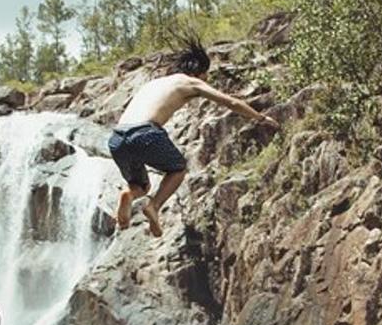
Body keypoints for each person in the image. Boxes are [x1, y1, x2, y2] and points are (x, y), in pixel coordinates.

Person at [108, 40, 279, 237]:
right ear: (199, 70)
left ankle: (128, 194)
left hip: (117, 138)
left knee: (141, 186)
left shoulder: (152, 84)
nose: (207, 79)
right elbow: (231, 102)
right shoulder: (190, 82)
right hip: (144, 133)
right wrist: (260, 117)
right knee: (178, 169)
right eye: (207, 74)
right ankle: (154, 206)